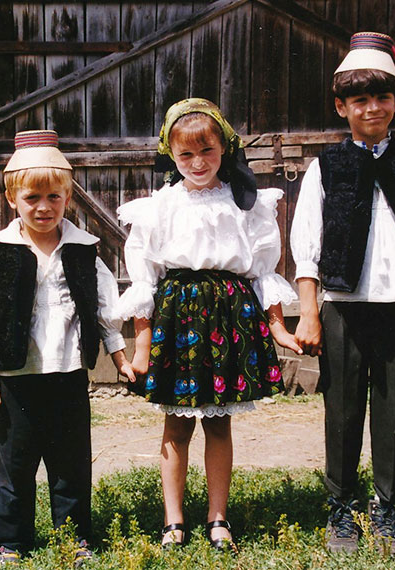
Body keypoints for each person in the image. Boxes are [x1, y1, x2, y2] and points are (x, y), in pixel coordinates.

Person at [290, 32, 395, 555]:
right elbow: (306, 248)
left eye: (383, 97)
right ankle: (341, 509)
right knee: (341, 410)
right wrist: (310, 314)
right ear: (342, 107)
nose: (372, 107)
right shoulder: (326, 167)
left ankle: (387, 508)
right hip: (343, 311)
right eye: (359, 99)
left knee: (393, 406)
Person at [116, 98, 301, 550]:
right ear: (171, 156)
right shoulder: (159, 207)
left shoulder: (247, 205)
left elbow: (262, 270)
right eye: (185, 155)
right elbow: (145, 278)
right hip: (178, 318)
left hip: (228, 315)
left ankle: (219, 518)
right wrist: (142, 345)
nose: (198, 163)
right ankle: (173, 521)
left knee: (219, 423)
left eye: (208, 152)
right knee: (176, 424)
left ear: (225, 149)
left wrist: (277, 326)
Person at [0, 130, 135, 567]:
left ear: (68, 197)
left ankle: (75, 540)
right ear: (12, 200)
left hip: (68, 374)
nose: (44, 207)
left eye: (54, 198)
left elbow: (101, 305)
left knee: (71, 463)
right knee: (15, 465)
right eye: (32, 198)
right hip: (19, 378)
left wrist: (119, 354)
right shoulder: (1, 252)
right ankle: (11, 541)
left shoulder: (82, 250)